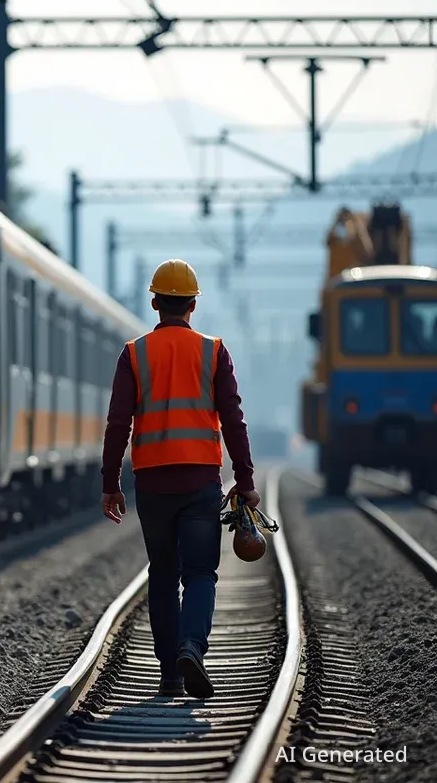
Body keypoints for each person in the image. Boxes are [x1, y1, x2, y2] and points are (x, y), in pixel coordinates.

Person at [99, 259, 259, 701]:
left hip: (151, 484)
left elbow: (117, 424)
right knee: (202, 572)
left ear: (155, 303)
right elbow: (233, 420)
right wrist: (244, 479)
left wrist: (110, 483)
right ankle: (192, 647)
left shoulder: (134, 354)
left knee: (164, 574)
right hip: (200, 483)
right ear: (192, 305)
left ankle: (170, 673)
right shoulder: (214, 351)